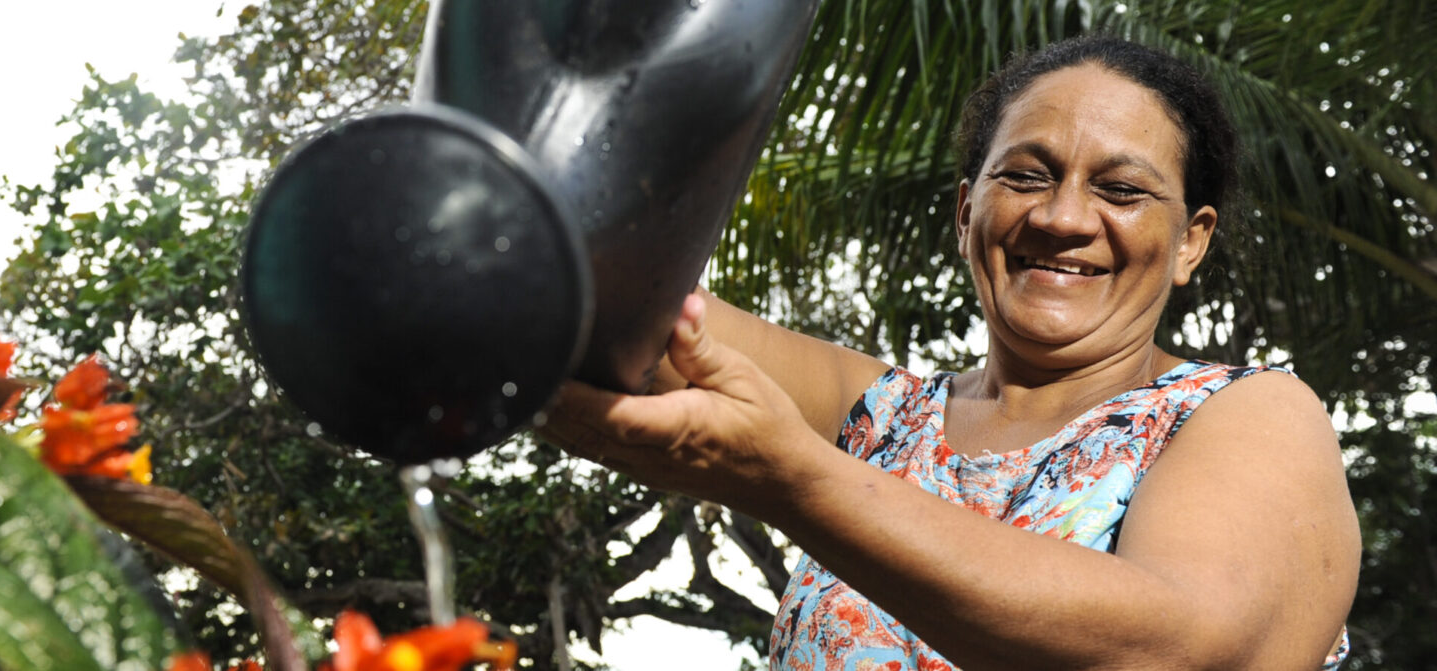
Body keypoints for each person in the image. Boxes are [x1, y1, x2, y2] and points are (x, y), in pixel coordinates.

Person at [541, 35, 1360, 670]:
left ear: (1191, 241)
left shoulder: (1248, 414)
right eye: (1027, 176)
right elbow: (611, 319)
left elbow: (1178, 649)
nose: (1063, 217)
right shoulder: (879, 418)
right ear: (967, 212)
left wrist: (793, 480)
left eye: (1122, 189)